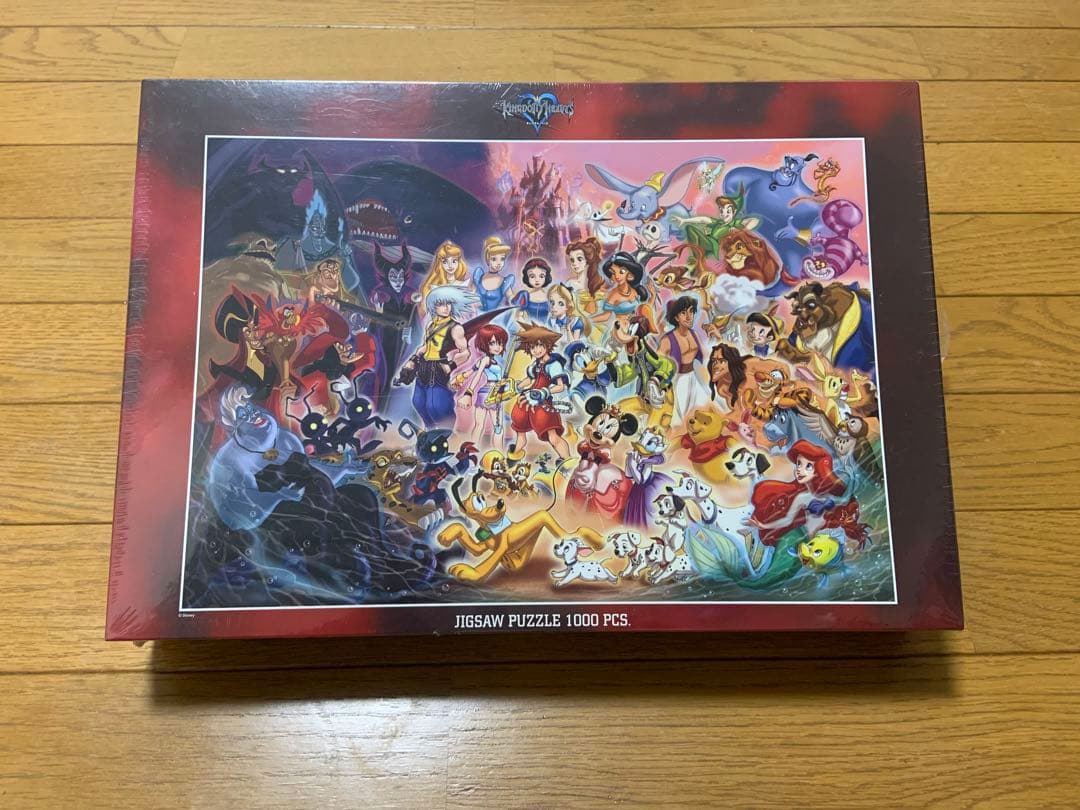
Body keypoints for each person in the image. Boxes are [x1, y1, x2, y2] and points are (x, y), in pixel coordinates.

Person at [397, 285, 478, 427]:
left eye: (448, 304)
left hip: (439, 368)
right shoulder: (430, 325)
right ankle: (430, 431)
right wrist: (413, 360)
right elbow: (425, 346)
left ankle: (447, 431)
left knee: (436, 405)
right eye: (441, 304)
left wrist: (451, 365)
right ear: (434, 306)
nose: (446, 308)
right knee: (418, 402)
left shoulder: (455, 328)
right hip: (423, 367)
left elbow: (465, 352)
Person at [509, 323, 571, 459]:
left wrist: (544, 392)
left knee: (552, 436)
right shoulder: (535, 364)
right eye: (532, 347)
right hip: (529, 398)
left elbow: (560, 386)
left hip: (543, 402)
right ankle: (516, 452)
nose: (536, 350)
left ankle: (567, 460)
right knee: (518, 417)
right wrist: (514, 388)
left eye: (539, 345)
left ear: (547, 345)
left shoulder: (553, 364)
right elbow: (529, 379)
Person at [658, 296, 709, 427]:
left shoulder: (694, 334)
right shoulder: (667, 340)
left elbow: (705, 356)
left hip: (694, 377)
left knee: (703, 409)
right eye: (683, 313)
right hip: (678, 381)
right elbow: (657, 365)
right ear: (676, 317)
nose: (689, 316)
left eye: (691, 311)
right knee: (682, 418)